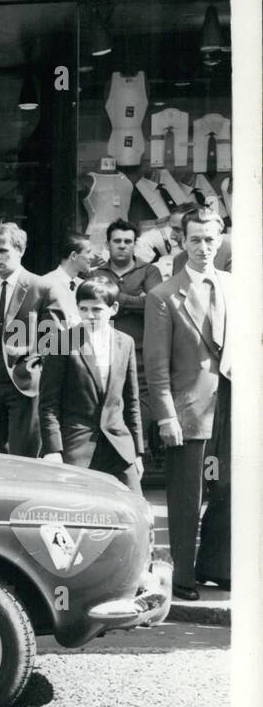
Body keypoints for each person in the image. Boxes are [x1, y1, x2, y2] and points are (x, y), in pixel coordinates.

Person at [144, 207, 232, 600]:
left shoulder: (234, 286)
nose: (203, 247)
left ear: (220, 239)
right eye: (195, 239)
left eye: (210, 239)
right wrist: (166, 415)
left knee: (227, 487)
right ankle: (183, 577)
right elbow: (156, 366)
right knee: (187, 496)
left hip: (230, 403)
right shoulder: (163, 295)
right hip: (187, 411)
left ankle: (216, 567)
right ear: (182, 241)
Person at [0, 222, 69, 458]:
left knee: (24, 458)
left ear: (20, 250)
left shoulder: (42, 288)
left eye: (3, 251)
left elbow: (57, 342)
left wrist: (37, 374)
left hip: (24, 384)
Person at [38, 278, 143, 491]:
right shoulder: (62, 342)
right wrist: (53, 449)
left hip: (118, 446)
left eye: (97, 309)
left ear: (113, 309)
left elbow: (131, 402)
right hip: (75, 446)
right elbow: (48, 403)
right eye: (83, 309)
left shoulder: (126, 343)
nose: (89, 315)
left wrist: (138, 453)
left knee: (135, 507)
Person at [91, 219, 163, 452]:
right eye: (117, 241)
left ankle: (136, 454)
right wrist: (136, 300)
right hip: (103, 349)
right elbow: (90, 304)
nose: (122, 246)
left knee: (139, 404)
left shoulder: (149, 270)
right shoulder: (96, 273)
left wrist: (115, 298)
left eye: (127, 241)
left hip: (139, 351)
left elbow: (154, 303)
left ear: (135, 244)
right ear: (108, 244)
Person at [40, 233, 94, 329]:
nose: (92, 257)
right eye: (88, 252)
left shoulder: (84, 285)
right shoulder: (44, 284)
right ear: (73, 255)